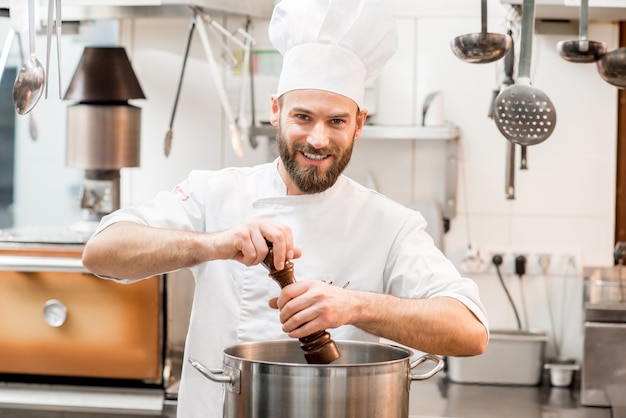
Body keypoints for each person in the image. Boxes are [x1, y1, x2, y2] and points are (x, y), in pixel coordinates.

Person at [82, 0, 489, 416]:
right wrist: (215, 244)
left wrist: (356, 307)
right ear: (275, 111)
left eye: (336, 121)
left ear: (359, 124)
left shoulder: (389, 224)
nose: (317, 139)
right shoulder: (214, 193)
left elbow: (470, 331)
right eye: (303, 116)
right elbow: (101, 253)